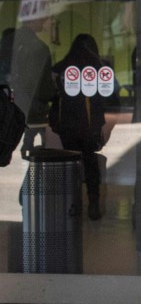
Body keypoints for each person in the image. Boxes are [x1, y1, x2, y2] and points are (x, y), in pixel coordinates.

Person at [49, 34, 112, 220]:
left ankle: (71, 204)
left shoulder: (61, 67)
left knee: (71, 163)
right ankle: (93, 202)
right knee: (90, 162)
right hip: (89, 124)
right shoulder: (99, 67)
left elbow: (52, 95)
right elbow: (105, 98)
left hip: (67, 124)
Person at [9, 13, 56, 157]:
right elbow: (38, 82)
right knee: (39, 133)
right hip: (33, 103)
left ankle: (26, 148)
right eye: (42, 18)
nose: (45, 21)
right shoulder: (38, 47)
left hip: (13, 100)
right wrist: (52, 95)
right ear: (32, 20)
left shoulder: (10, 42)